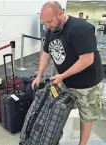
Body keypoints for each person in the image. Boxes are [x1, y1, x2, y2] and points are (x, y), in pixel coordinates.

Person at [32, 1, 103, 145]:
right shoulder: (51, 31)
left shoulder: (80, 29)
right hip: (65, 82)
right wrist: (39, 75)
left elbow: (87, 59)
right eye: (44, 22)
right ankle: (54, 136)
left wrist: (62, 75)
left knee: (87, 116)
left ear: (60, 13)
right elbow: (46, 54)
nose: (47, 26)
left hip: (86, 84)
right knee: (59, 110)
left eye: (50, 21)